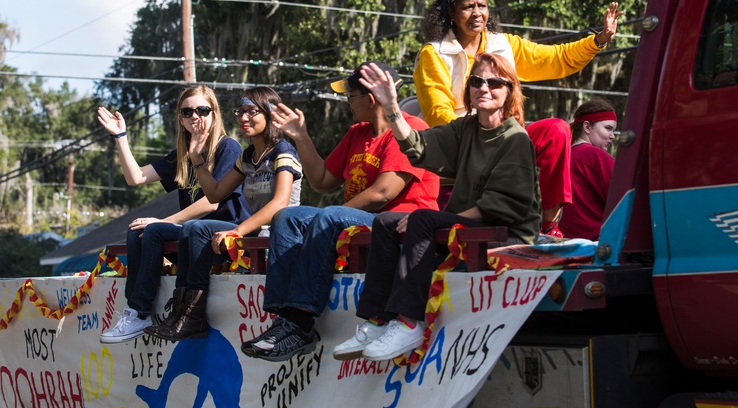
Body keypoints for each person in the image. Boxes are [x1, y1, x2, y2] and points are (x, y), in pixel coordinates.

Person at [333, 54, 540, 361]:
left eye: (495, 82)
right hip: (470, 226)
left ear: (509, 91)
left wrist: (440, 220)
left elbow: (501, 207)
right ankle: (377, 319)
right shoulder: (466, 129)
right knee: (387, 221)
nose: (484, 88)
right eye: (476, 81)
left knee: (423, 219)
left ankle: (409, 321)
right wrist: (391, 107)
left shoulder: (515, 138)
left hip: (507, 233)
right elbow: (418, 146)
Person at [240, 62, 441, 362]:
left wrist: (329, 216)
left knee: (327, 216)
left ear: (370, 98)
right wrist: (302, 137)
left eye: (350, 95)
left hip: (395, 223)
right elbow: (321, 180)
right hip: (355, 219)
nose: (347, 102)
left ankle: (301, 321)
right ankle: (285, 319)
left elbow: (383, 193)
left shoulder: (411, 129)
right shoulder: (357, 133)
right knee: (287, 217)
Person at [412, 0, 622, 235]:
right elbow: (437, 112)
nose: (477, 13)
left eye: (483, 6)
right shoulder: (434, 53)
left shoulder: (503, 44)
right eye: (468, 7)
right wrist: (480, 133)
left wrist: (598, 40)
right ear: (451, 13)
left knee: (556, 130)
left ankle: (549, 227)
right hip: (463, 143)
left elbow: (556, 59)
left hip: (508, 139)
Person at [143, 86, 304, 341]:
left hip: (278, 238)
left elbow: (279, 204)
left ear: (271, 114)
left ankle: (192, 316)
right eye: (240, 112)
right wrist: (197, 160)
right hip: (252, 237)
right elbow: (216, 194)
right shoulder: (248, 155)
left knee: (196, 228)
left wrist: (237, 230)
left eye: (251, 112)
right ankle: (181, 311)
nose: (243, 118)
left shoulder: (283, 151)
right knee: (190, 228)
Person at [98, 86, 246, 343]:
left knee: (153, 229)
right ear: (180, 118)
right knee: (138, 230)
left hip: (223, 231)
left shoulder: (227, 147)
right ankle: (136, 312)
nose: (195, 117)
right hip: (189, 234)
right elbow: (135, 177)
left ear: (214, 113)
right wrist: (121, 137)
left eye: (202, 110)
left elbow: (212, 203)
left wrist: (163, 221)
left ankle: (143, 309)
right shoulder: (183, 153)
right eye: (187, 112)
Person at [565, 98, 617, 241]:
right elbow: (620, 200)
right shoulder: (597, 157)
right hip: (596, 245)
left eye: (614, 130)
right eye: (608, 128)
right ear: (587, 127)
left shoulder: (563, 156)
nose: (612, 136)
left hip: (564, 243)